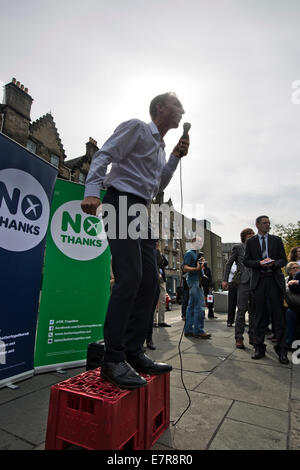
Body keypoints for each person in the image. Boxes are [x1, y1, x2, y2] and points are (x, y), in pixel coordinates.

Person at [81, 92, 189, 389]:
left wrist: (176, 157)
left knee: (151, 282)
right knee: (130, 277)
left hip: (142, 208)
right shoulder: (137, 128)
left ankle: (132, 351)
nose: (182, 111)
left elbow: (159, 184)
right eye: (177, 105)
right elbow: (104, 155)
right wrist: (91, 190)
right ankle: (112, 359)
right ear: (160, 108)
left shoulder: (162, 147)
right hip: (119, 203)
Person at [244, 215, 289, 364]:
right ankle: (259, 347)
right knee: (258, 316)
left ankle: (282, 350)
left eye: (269, 223)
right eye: (265, 223)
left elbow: (284, 259)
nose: (268, 225)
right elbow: (246, 261)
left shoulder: (276, 240)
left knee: (278, 316)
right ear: (257, 225)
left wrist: (274, 263)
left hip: (274, 282)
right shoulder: (251, 242)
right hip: (259, 283)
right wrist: (259, 263)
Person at [222, 228, 255, 349]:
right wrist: (225, 279)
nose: (251, 235)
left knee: (254, 311)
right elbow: (228, 264)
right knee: (241, 310)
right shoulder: (238, 247)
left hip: (256, 282)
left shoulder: (258, 248)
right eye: (249, 234)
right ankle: (239, 338)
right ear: (244, 237)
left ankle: (253, 336)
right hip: (243, 282)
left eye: (253, 234)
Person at [183, 237, 211, 339]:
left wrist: (202, 274)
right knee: (199, 306)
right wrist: (197, 268)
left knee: (191, 306)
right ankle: (199, 330)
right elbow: (185, 268)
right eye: (198, 242)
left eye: (201, 242)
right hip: (193, 282)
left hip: (197, 281)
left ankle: (189, 330)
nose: (200, 243)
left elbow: (199, 268)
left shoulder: (197, 254)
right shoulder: (189, 253)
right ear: (193, 242)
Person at [155, 241, 171, 327]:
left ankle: (161, 321)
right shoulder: (150, 251)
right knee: (153, 300)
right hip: (153, 278)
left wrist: (159, 252)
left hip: (162, 280)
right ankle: (153, 321)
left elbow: (166, 263)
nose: (157, 244)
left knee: (162, 300)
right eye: (155, 242)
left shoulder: (159, 253)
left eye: (158, 243)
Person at [285, 262, 300, 349]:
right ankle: (289, 341)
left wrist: (297, 282)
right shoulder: (286, 280)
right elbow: (292, 288)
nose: (295, 269)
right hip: (291, 306)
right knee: (289, 313)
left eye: (297, 267)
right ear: (289, 271)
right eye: (293, 268)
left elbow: (295, 288)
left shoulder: (298, 277)